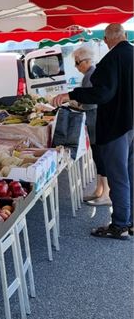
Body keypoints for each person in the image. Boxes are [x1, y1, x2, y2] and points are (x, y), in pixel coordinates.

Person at [53, 24, 133, 239]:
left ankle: (120, 225)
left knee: (118, 176)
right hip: (132, 124)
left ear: (107, 39)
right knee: (130, 173)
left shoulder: (111, 60)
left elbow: (103, 94)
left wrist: (73, 94)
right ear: (125, 36)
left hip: (117, 126)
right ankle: (130, 220)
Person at [70, 45, 110, 205]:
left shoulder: (90, 75)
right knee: (97, 156)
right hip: (94, 122)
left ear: (85, 61)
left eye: (77, 62)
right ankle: (99, 190)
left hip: (95, 121)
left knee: (100, 157)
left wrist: (76, 103)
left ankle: (105, 193)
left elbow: (91, 101)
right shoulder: (91, 74)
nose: (76, 66)